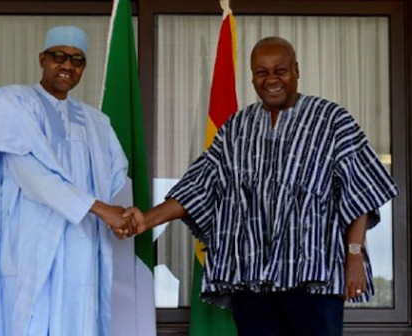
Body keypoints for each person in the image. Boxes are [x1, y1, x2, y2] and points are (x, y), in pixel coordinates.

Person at [123, 36, 399, 335]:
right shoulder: (235, 128)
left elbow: (359, 191)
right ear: (252, 76)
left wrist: (354, 255)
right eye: (261, 72)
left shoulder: (333, 120)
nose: (271, 80)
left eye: (280, 70)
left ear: (296, 70)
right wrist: (145, 220)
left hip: (314, 278)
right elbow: (199, 186)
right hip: (252, 278)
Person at [0, 26, 135, 336]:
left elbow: (115, 176)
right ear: (42, 58)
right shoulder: (12, 102)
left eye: (77, 60)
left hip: (81, 243)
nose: (67, 66)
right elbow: (30, 175)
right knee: (28, 319)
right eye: (59, 56)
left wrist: (122, 217)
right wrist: (100, 209)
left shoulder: (96, 122)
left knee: (78, 320)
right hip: (27, 241)